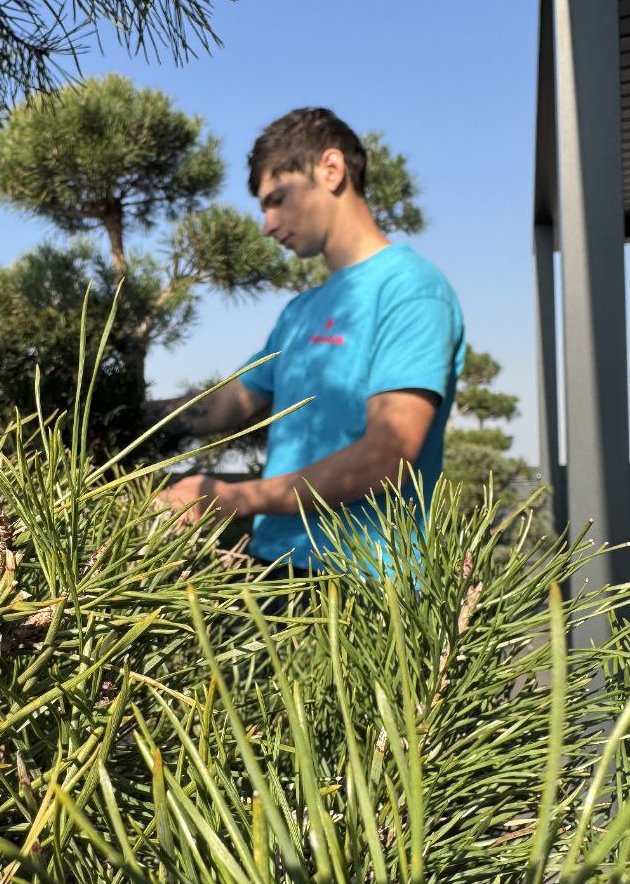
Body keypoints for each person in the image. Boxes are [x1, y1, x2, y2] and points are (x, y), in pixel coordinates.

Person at [157, 107, 466, 573]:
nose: (267, 223)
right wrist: (125, 412)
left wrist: (234, 497)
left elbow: (387, 455)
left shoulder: (411, 288)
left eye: (276, 198)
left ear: (331, 170)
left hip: (368, 582)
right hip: (276, 567)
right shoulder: (300, 311)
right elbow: (233, 402)